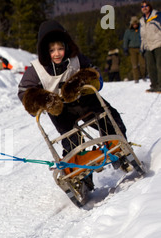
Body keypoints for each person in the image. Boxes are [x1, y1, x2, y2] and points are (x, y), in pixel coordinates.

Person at [18, 20, 127, 157]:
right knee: (71, 140)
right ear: (45, 51)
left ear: (66, 47)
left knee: (110, 120)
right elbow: (24, 92)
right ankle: (79, 171)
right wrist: (44, 101)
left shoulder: (76, 59)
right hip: (60, 110)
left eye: (60, 49)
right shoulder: (36, 70)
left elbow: (94, 72)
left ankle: (118, 149)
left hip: (83, 100)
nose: (57, 54)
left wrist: (83, 83)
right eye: (52, 50)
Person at [140, 1, 161, 92]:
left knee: (159, 66)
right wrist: (142, 47)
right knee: (150, 67)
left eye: (146, 6)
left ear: (150, 7)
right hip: (148, 46)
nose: (144, 8)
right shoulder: (142, 20)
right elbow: (142, 36)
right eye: (142, 6)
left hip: (158, 44)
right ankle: (154, 85)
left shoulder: (157, 16)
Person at [123, 16, 146, 83]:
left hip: (140, 48)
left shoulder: (141, 30)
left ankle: (143, 76)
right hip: (132, 49)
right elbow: (126, 40)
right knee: (134, 65)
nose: (135, 25)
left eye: (136, 24)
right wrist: (125, 48)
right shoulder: (128, 31)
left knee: (142, 64)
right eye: (134, 24)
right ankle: (136, 78)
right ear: (131, 24)